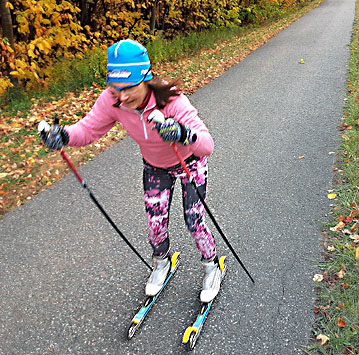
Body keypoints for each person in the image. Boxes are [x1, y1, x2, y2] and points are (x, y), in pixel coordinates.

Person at [38, 39, 221, 303]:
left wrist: (182, 133)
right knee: (155, 225)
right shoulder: (112, 100)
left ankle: (211, 266)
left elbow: (207, 145)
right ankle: (161, 263)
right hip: (155, 168)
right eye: (115, 89)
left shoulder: (170, 99)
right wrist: (64, 136)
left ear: (146, 78)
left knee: (194, 222)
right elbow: (89, 130)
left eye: (129, 88)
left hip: (188, 163)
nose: (123, 97)